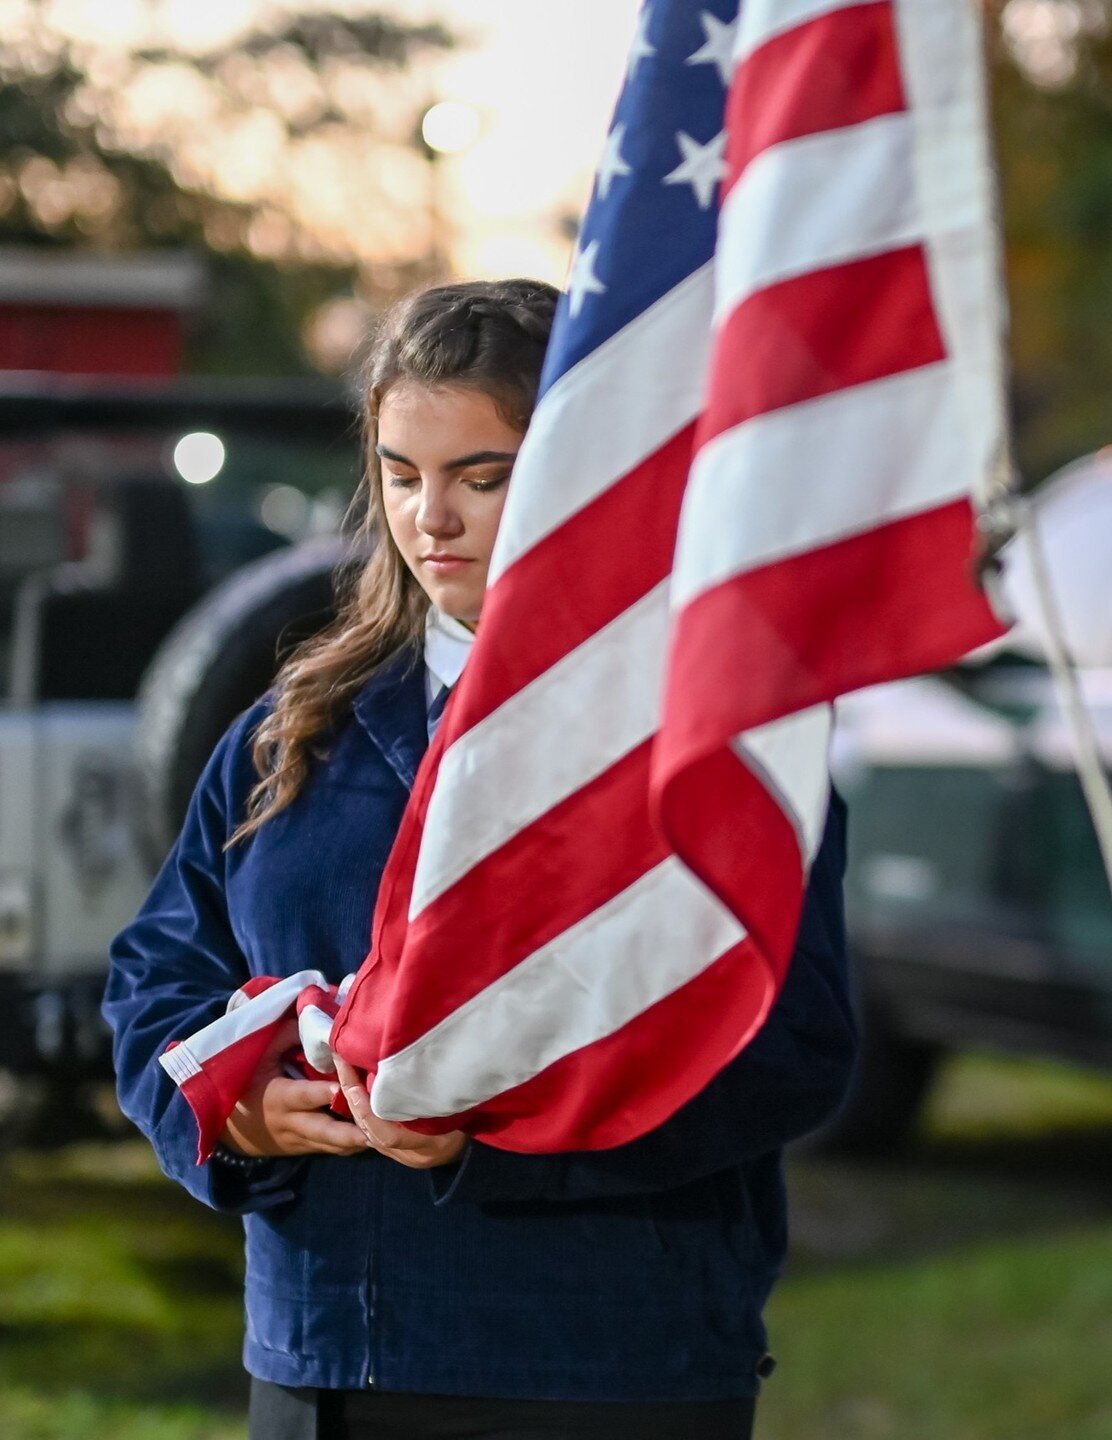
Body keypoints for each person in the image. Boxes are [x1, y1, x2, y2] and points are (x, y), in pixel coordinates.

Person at [104, 278, 856, 1440]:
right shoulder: (297, 728)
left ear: (583, 464)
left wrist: (501, 1133)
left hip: (606, 1360)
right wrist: (234, 1107)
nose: (429, 520)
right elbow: (155, 975)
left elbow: (794, 1045)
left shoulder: (709, 737)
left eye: (480, 475)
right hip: (322, 1360)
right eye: (401, 475)